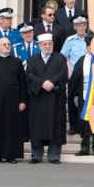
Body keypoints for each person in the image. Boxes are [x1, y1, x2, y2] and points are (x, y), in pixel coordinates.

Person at [26, 33, 68, 164]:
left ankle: (54, 155)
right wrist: (42, 83)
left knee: (56, 126)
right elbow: (29, 75)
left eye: (50, 44)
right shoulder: (32, 59)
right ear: (39, 45)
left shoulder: (60, 58)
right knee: (37, 126)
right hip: (38, 99)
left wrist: (52, 83)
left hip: (55, 98)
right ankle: (36, 155)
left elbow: (63, 73)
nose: (47, 46)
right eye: (45, 44)